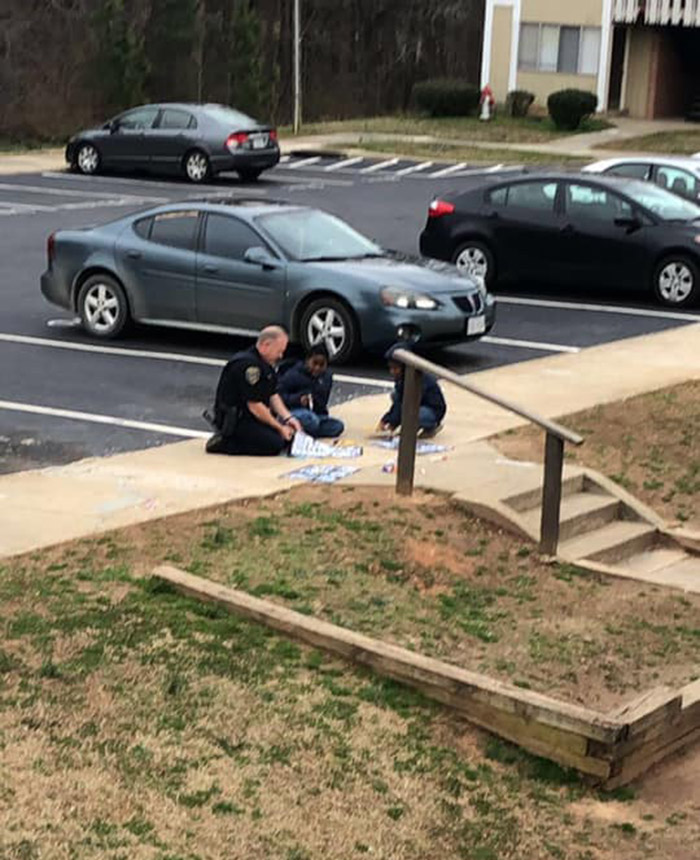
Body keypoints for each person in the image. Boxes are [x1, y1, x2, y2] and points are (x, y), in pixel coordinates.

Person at [205, 326, 302, 456]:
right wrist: (279, 427)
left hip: (252, 416)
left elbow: (273, 394)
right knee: (274, 444)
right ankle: (225, 443)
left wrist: (288, 418)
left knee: (288, 438)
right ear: (266, 345)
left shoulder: (266, 364)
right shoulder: (248, 366)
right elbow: (254, 406)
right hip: (236, 420)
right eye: (279, 351)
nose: (281, 356)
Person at [277, 344, 345, 439]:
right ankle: (297, 427)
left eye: (321, 365)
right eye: (314, 363)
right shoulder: (294, 374)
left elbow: (323, 403)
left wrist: (315, 398)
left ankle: (302, 431)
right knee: (311, 420)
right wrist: (298, 399)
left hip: (316, 414)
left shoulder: (326, 377)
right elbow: (278, 397)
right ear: (307, 361)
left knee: (338, 426)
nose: (317, 368)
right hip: (293, 411)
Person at [379, 343, 447, 436]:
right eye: (390, 368)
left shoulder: (417, 379)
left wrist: (393, 422)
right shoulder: (402, 378)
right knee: (395, 395)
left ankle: (432, 426)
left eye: (395, 368)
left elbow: (406, 404)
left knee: (412, 414)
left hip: (433, 410)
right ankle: (414, 426)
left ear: (404, 367)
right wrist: (387, 420)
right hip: (419, 404)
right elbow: (399, 402)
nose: (392, 372)